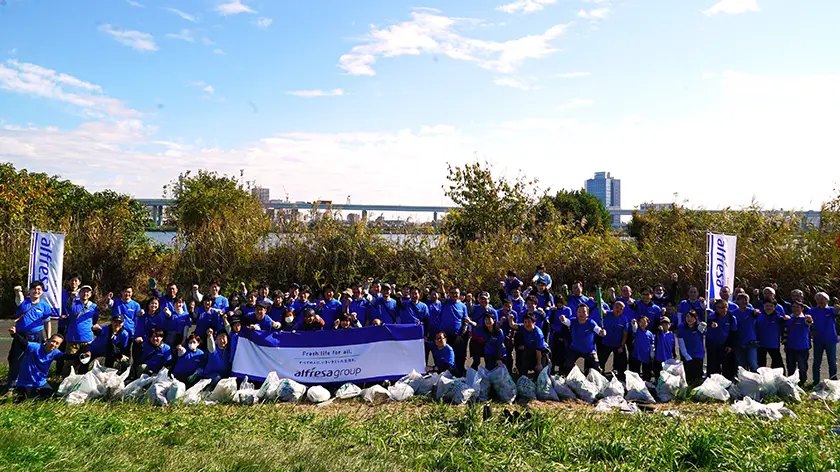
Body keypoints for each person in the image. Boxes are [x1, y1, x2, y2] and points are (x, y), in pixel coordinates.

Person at [7, 326, 88, 400]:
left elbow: (67, 356)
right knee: (31, 399)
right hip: (26, 383)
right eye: (53, 341)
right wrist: (14, 334)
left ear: (59, 346)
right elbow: (22, 342)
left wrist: (82, 355)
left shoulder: (55, 353)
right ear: (48, 341)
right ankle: (18, 392)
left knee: (51, 397)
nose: (54, 344)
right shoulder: (34, 347)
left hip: (41, 383)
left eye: (57, 343)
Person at [7, 281, 54, 392]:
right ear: (29, 290)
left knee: (35, 360)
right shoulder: (23, 302)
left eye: (39, 289)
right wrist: (18, 291)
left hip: (37, 336)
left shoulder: (45, 306)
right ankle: (11, 386)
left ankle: (35, 384)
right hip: (21, 336)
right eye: (34, 289)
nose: (36, 291)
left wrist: (48, 338)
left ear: (42, 291)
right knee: (16, 359)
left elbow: (47, 322)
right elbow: (18, 297)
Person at [62, 285, 101, 376]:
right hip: (72, 339)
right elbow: (67, 306)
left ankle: (82, 379)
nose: (85, 293)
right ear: (79, 293)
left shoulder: (93, 306)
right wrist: (71, 298)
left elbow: (95, 320)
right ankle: (66, 380)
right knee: (70, 362)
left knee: (84, 362)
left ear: (90, 294)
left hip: (87, 339)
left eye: (88, 292)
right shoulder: (73, 303)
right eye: (83, 291)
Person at [559, 304, 606, 375]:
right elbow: (566, 322)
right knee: (567, 366)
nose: (581, 314)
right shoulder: (573, 321)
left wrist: (602, 333)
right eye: (579, 312)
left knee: (597, 368)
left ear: (587, 314)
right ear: (576, 313)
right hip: (574, 349)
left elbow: (598, 330)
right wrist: (563, 319)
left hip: (589, 351)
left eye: (584, 312)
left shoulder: (591, 322)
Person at [809, 292, 838, 383]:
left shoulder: (832, 310)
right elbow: (809, 323)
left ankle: (833, 381)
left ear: (827, 300)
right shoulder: (812, 310)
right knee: (816, 362)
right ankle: (816, 381)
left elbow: (837, 312)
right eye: (818, 299)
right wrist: (811, 330)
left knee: (832, 362)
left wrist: (837, 309)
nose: (820, 301)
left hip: (830, 339)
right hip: (818, 340)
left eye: (822, 299)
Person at [598, 301, 630, 381]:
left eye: (620, 308)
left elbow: (625, 335)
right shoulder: (607, 314)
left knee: (622, 364)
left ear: (623, 310)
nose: (618, 310)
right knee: (601, 362)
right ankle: (600, 377)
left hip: (618, 345)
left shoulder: (624, 319)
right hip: (606, 343)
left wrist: (622, 346)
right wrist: (599, 303)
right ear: (613, 307)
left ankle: (621, 379)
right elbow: (602, 311)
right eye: (617, 307)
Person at [706, 299, 737, 378]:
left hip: (725, 344)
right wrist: (711, 324)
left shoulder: (731, 318)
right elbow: (707, 325)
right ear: (716, 308)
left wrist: (730, 345)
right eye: (720, 307)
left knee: (727, 365)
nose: (723, 309)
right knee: (713, 365)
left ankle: (728, 381)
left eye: (725, 307)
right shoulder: (712, 316)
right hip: (712, 343)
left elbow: (733, 333)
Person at [785, 301, 812, 385]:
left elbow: (809, 322)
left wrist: (809, 320)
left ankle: (803, 383)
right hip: (790, 347)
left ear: (802, 309)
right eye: (793, 307)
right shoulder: (788, 318)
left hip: (802, 348)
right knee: (790, 367)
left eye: (797, 307)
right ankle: (791, 383)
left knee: (802, 367)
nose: (795, 309)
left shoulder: (805, 318)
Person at [677, 310, 707, 386]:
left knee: (697, 376)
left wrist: (704, 325)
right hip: (686, 354)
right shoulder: (681, 327)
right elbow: (681, 343)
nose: (689, 319)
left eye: (692, 317)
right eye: (687, 316)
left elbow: (704, 328)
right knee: (688, 376)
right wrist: (686, 356)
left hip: (698, 354)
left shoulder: (699, 326)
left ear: (696, 318)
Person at [756, 299, 786, 371]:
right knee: (760, 366)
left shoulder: (779, 317)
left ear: (774, 307)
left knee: (778, 366)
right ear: (763, 306)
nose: (768, 308)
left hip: (773, 345)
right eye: (767, 306)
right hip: (760, 344)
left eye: (771, 306)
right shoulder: (758, 316)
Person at [732, 292, 759, 372]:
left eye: (746, 300)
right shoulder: (733, 313)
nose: (744, 301)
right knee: (741, 365)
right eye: (742, 300)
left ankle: (757, 378)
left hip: (751, 342)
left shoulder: (752, 312)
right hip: (738, 342)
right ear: (737, 301)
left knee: (753, 363)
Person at [549, 295, 572, 375]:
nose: (559, 304)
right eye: (557, 302)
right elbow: (549, 321)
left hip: (564, 333)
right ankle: (552, 368)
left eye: (561, 302)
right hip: (555, 333)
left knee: (564, 352)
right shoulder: (553, 310)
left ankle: (562, 369)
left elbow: (569, 321)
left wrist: (562, 332)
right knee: (553, 352)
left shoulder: (567, 309)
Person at [629, 316, 656, 381]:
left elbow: (652, 344)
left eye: (644, 322)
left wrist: (652, 353)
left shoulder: (650, 333)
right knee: (636, 370)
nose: (642, 324)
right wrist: (633, 323)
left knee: (646, 370)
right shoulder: (637, 331)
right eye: (641, 322)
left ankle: (646, 382)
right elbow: (634, 329)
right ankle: (636, 382)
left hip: (646, 355)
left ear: (647, 323)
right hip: (636, 354)